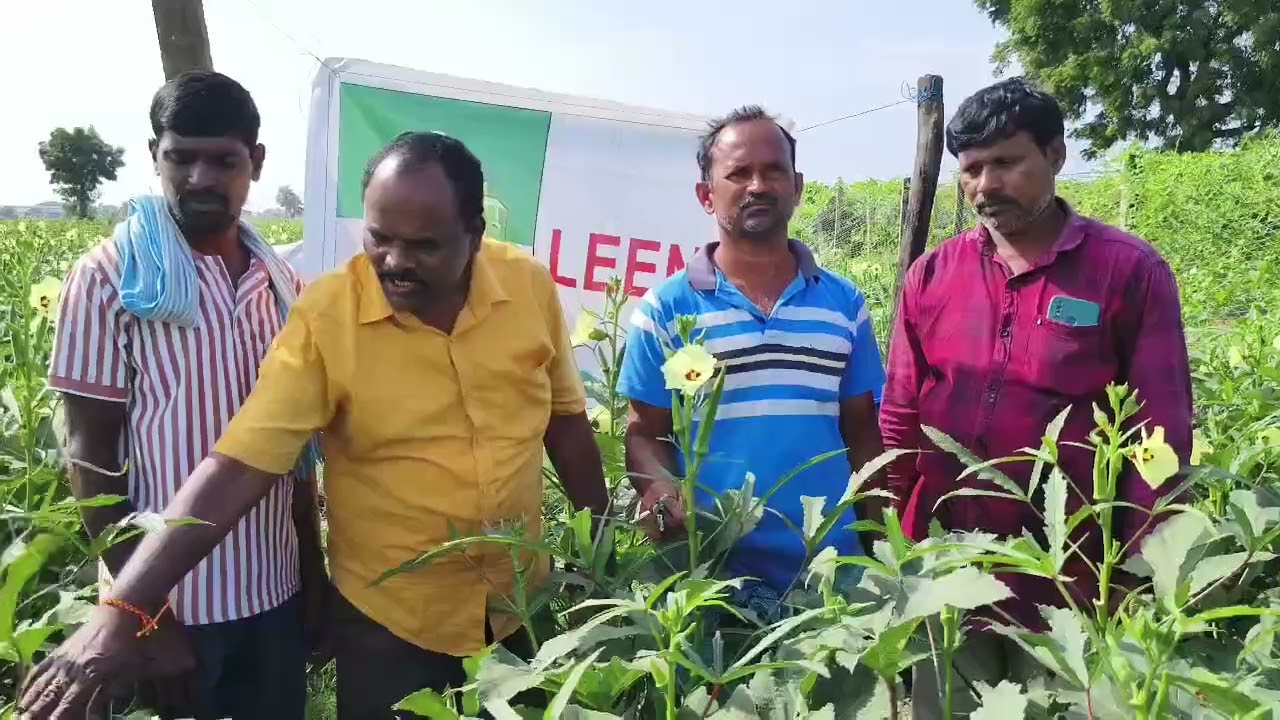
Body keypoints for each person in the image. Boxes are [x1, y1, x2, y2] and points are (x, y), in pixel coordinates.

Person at [18, 131, 610, 719]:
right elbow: (238, 465)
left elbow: (565, 422)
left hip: (521, 606)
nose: (396, 262)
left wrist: (602, 555)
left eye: (424, 246)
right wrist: (125, 608)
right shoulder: (328, 317)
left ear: (475, 236)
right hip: (394, 621)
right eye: (380, 238)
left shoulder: (527, 287)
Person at [878, 77, 1193, 716]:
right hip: (948, 567)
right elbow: (902, 414)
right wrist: (892, 539)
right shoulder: (933, 274)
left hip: (1070, 578)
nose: (985, 185)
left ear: (1054, 155)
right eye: (970, 169)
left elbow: (1160, 430)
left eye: (1005, 163)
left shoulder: (1127, 270)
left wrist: (1139, 566)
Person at [33, 70, 326, 719]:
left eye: (222, 160)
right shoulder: (111, 278)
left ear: (256, 163)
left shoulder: (282, 282)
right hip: (171, 608)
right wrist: (144, 614)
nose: (199, 179)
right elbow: (91, 460)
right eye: (180, 158)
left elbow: (295, 453)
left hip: (271, 592)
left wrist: (312, 571)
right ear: (153, 157)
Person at [617, 105, 887, 621]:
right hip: (717, 573)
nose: (757, 185)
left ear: (797, 185)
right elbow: (643, 432)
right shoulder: (667, 309)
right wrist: (658, 487)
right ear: (706, 194)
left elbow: (863, 432)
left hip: (833, 570)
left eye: (773, 170)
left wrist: (882, 543)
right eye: (738, 173)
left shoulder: (844, 305)